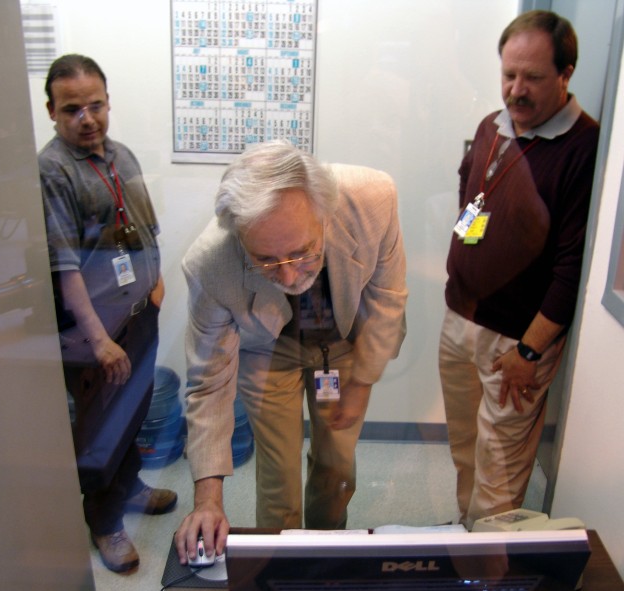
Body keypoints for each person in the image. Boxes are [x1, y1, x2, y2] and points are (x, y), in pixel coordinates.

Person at [175, 140, 407, 563]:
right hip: (268, 350)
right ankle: (281, 562)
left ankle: (326, 550)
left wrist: (362, 382)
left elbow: (387, 299)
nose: (288, 274)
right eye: (265, 259)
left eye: (302, 252)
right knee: (277, 475)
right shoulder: (211, 264)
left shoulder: (372, 200)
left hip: (339, 343)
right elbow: (208, 383)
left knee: (336, 465)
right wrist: (208, 499)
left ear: (324, 215)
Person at [439, 11, 600, 529]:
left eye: (532, 77)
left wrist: (531, 350)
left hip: (517, 343)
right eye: (509, 74)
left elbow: (573, 267)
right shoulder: (493, 126)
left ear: (566, 73)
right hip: (460, 320)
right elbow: (473, 198)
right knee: (466, 451)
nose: (515, 90)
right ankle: (467, 538)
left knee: (499, 474)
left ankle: (488, 575)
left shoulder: (585, 148)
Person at [39, 54, 178, 573]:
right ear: (52, 110)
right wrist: (100, 340)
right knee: (101, 430)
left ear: (108, 102)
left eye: (95, 105)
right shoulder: (52, 170)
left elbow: (145, 226)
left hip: (140, 313)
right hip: (97, 332)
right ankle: (105, 522)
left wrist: (155, 286)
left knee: (135, 412)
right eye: (72, 108)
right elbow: (64, 267)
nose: (87, 118)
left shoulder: (120, 154)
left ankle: (131, 487)